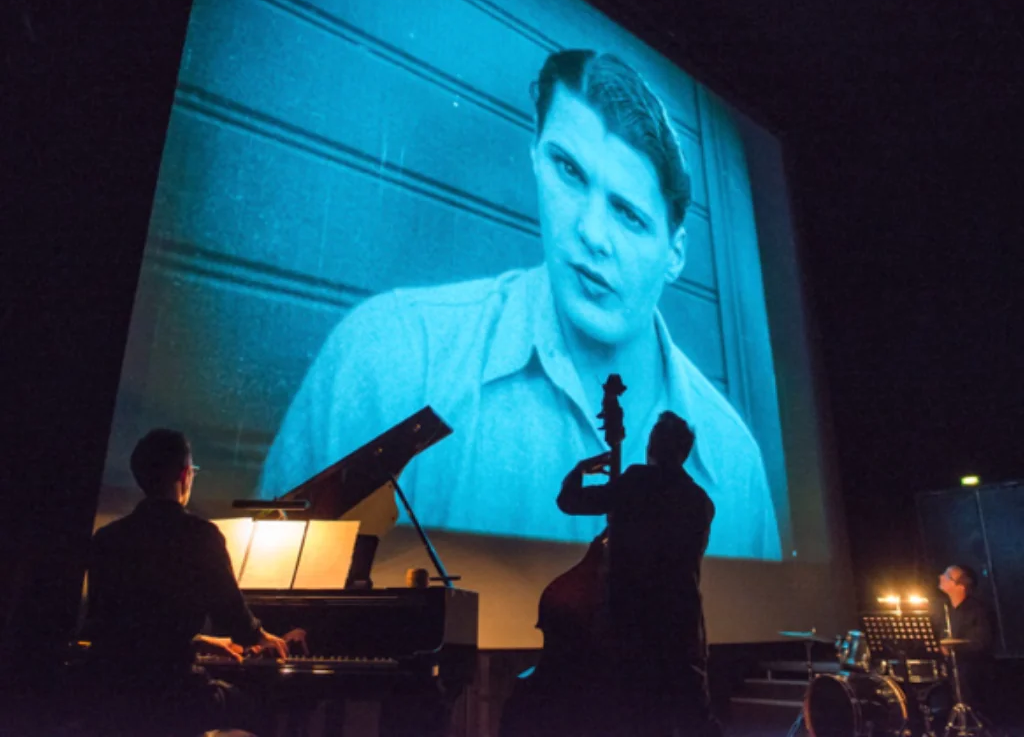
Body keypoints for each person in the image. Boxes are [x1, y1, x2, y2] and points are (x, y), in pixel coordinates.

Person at [258, 48, 781, 560]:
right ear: (535, 155)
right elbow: (275, 575)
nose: (590, 233)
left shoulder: (736, 462)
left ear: (676, 253)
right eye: (568, 171)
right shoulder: (390, 354)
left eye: (629, 213)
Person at [80, 428, 295, 735]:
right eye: (192, 470)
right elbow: (232, 617)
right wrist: (260, 636)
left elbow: (129, 624)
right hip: (171, 694)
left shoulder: (106, 538)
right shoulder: (199, 535)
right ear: (184, 474)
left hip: (109, 692)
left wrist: (200, 640)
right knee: (258, 711)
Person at [556, 411, 719, 736]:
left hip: (632, 629)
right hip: (682, 629)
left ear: (652, 447)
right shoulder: (701, 501)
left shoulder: (634, 483)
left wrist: (580, 470)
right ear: (684, 452)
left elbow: (569, 501)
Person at [937, 564, 994, 714]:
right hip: (951, 670)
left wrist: (951, 646)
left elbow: (981, 642)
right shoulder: (945, 610)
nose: (940, 577)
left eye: (947, 576)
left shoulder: (978, 610)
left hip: (972, 671)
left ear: (961, 586)